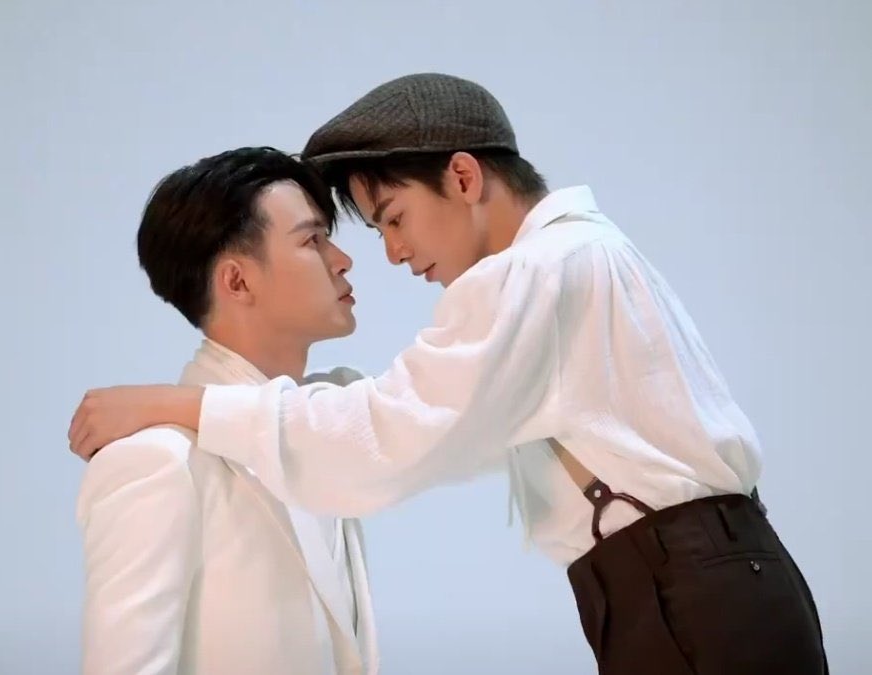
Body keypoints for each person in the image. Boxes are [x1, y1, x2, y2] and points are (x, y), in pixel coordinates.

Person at [69, 74, 827, 674]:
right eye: (326, 237)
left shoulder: (539, 271)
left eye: (394, 218)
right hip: (700, 583)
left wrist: (176, 403)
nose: (386, 254)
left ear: (463, 177)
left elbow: (390, 436)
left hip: (686, 590)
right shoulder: (580, 256)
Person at [75, 146, 378, 675]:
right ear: (237, 281)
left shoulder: (329, 421)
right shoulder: (157, 462)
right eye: (312, 240)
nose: (342, 260)